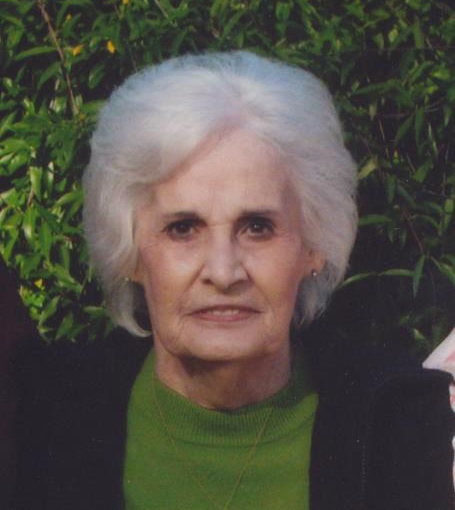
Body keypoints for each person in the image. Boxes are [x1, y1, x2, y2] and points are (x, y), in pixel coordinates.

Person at [11, 52, 454, 510]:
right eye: (183, 228)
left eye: (258, 227)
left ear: (313, 246)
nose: (223, 272)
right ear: (129, 253)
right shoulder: (47, 417)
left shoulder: (397, 422)